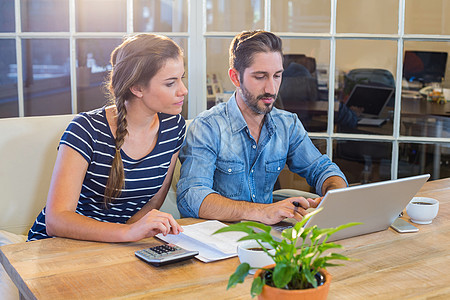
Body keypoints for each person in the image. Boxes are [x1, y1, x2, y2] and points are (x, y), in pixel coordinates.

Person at [27, 33, 187, 242]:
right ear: (137, 87)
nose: (183, 90)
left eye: (181, 79)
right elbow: (56, 220)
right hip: (58, 247)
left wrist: (129, 239)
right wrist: (127, 234)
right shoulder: (86, 129)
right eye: (170, 83)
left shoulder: (174, 127)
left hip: (115, 247)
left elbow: (152, 203)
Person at [176, 30, 347, 225]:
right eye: (260, 77)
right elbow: (192, 196)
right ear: (235, 78)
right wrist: (263, 212)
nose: (271, 89)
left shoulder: (287, 124)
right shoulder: (208, 127)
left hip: (267, 239)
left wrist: (332, 196)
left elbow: (323, 169)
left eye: (277, 76)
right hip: (220, 237)